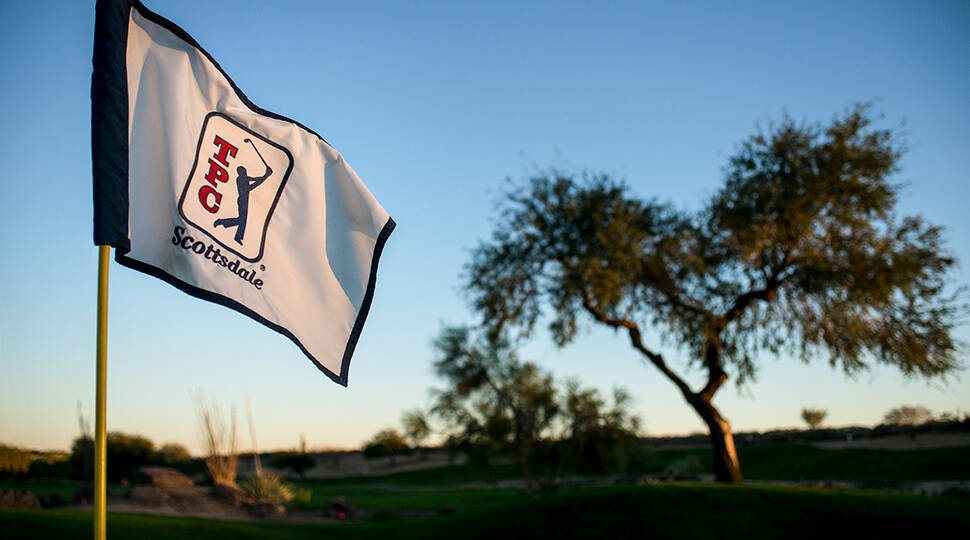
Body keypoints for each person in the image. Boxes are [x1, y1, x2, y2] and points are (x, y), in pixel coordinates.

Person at [214, 163, 272, 244]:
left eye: (245, 171)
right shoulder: (240, 179)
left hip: (245, 200)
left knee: (242, 220)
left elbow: (256, 179)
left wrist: (266, 175)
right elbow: (252, 186)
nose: (245, 172)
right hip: (242, 200)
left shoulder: (245, 178)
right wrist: (266, 176)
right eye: (244, 171)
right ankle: (222, 222)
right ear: (240, 172)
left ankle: (237, 236)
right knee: (242, 220)